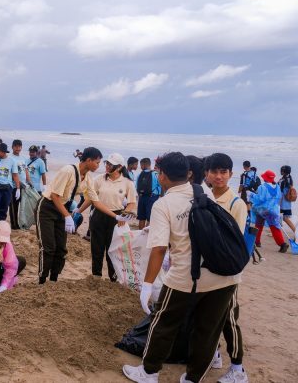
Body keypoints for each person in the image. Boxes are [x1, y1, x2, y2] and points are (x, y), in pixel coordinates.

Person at [122, 152, 239, 383]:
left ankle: (148, 372)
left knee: (163, 322)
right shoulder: (204, 192)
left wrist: (147, 286)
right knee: (207, 330)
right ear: (189, 174)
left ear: (161, 175)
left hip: (187, 277)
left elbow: (158, 250)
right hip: (227, 276)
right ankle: (192, 378)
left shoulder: (163, 204)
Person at [39, 147, 127, 284]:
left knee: (61, 249)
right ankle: (42, 280)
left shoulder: (88, 179)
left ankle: (53, 280)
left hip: (62, 210)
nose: (99, 166)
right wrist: (67, 216)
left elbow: (96, 202)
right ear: (88, 160)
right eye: (97, 162)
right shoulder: (68, 171)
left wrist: (116, 217)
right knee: (49, 247)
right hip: (47, 207)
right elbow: (54, 196)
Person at [204, 153, 249, 383]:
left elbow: (235, 241)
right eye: (214, 171)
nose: (219, 176)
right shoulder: (204, 197)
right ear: (207, 174)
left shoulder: (236, 203)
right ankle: (214, 354)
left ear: (231, 174)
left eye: (223, 172)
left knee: (229, 319)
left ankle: (238, 369)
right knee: (208, 316)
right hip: (207, 270)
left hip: (228, 272)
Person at [86, 153, 137, 281]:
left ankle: (113, 278)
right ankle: (96, 276)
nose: (107, 166)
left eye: (110, 164)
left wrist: (124, 215)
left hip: (116, 218)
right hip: (98, 216)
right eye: (106, 163)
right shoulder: (99, 179)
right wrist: (77, 210)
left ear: (119, 167)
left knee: (112, 249)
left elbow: (131, 203)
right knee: (96, 248)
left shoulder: (127, 182)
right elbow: (91, 198)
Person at [251, 170, 288, 253]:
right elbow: (279, 198)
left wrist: (252, 195)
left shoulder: (262, 187)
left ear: (265, 178)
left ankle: (258, 242)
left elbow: (260, 199)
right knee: (274, 227)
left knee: (259, 225)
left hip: (262, 209)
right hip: (274, 210)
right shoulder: (277, 187)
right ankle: (281, 244)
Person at [9, 139, 31, 230]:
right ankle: (14, 225)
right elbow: (11, 173)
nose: (18, 148)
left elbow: (25, 170)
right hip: (14, 187)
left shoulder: (23, 158)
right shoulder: (10, 158)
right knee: (14, 207)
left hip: (23, 186)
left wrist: (29, 181)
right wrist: (19, 183)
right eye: (16, 146)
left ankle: (22, 223)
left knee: (23, 206)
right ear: (12, 147)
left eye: (19, 146)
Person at [136, 158, 162, 229]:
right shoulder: (156, 174)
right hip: (152, 197)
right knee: (150, 218)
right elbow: (160, 186)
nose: (140, 167)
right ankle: (147, 235)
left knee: (141, 218)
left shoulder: (139, 174)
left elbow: (136, 186)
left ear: (143, 165)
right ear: (150, 164)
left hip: (141, 198)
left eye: (141, 165)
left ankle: (140, 235)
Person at [279, 165, 295, 234]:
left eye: (282, 170)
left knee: (285, 218)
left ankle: (296, 232)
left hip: (283, 203)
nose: (280, 171)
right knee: (280, 217)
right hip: (286, 203)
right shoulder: (288, 178)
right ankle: (277, 230)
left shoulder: (284, 180)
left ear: (284, 171)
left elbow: (280, 191)